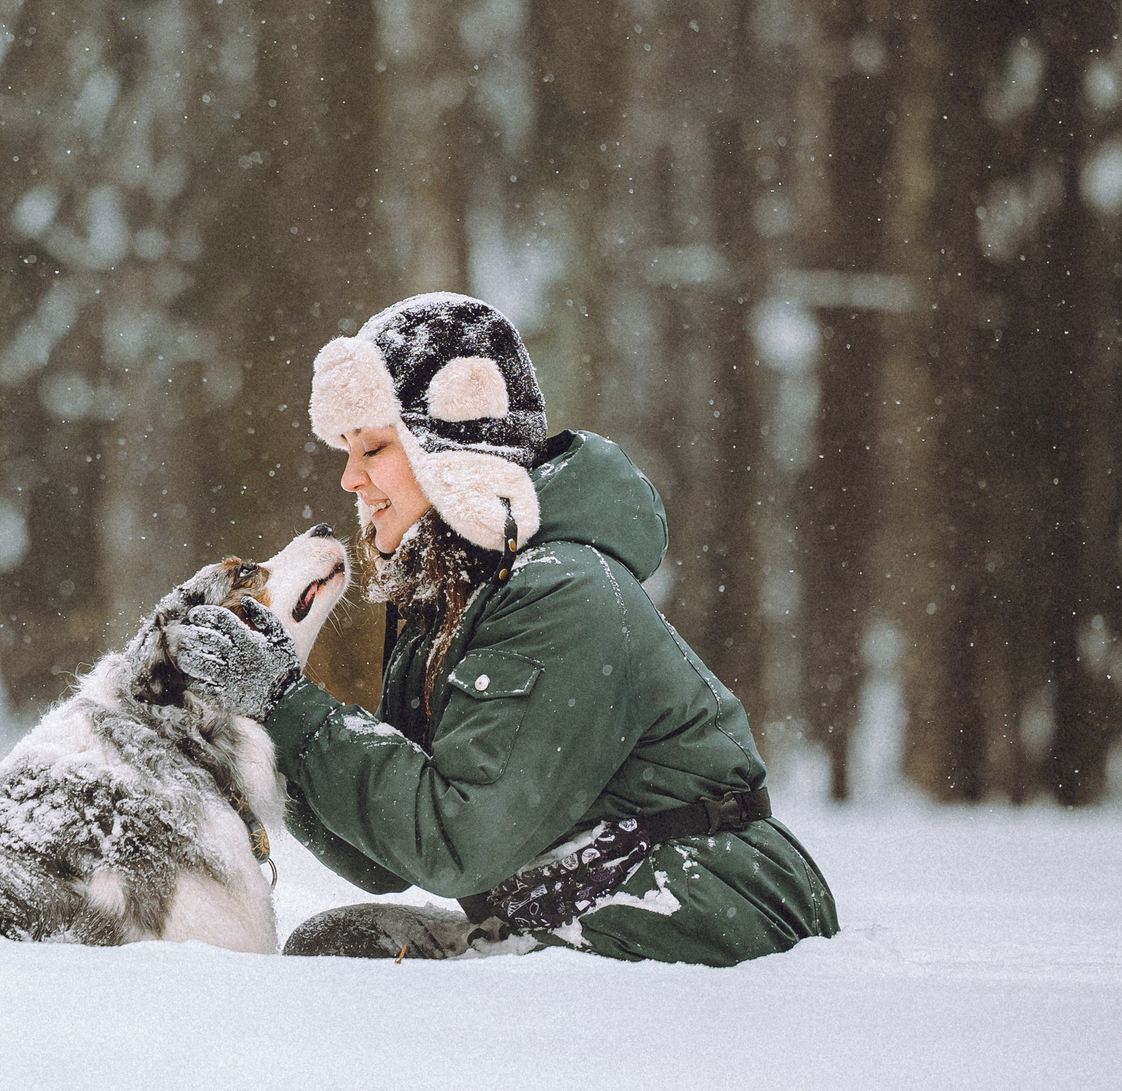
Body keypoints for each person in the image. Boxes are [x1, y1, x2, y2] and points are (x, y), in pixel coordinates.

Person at [168, 293, 839, 965]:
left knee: (387, 980)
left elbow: (456, 840)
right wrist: (258, 736)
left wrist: (288, 704)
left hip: (709, 905)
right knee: (340, 947)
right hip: (596, 902)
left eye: (373, 446)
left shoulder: (560, 591)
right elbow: (386, 856)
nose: (350, 477)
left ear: (451, 447)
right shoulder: (456, 593)